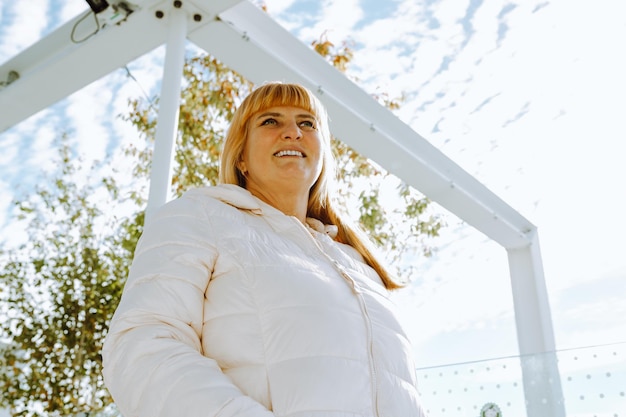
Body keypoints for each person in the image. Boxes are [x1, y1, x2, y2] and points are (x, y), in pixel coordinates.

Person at [102, 82, 427, 417]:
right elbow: (142, 345)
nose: (292, 132)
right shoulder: (202, 215)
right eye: (270, 121)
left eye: (307, 123)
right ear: (241, 157)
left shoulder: (359, 265)